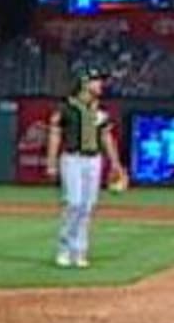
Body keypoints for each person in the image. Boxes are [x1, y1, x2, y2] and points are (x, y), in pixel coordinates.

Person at [36, 71, 122, 268]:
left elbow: (107, 137)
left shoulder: (99, 111)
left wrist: (115, 163)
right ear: (85, 84)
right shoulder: (67, 108)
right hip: (73, 158)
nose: (100, 84)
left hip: (94, 159)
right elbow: (55, 135)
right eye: (96, 81)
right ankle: (64, 249)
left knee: (87, 206)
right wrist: (51, 162)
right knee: (73, 203)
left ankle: (80, 251)